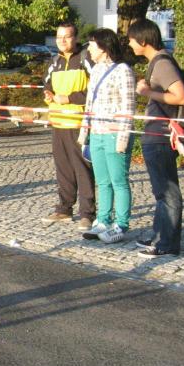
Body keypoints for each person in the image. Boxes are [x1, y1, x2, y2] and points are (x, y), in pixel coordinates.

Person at [129, 19, 184, 258]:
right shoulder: (157, 62)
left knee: (167, 191)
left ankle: (168, 244)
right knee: (160, 191)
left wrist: (148, 92)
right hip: (155, 134)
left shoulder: (163, 63)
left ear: (143, 40)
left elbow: (181, 97)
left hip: (162, 135)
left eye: (132, 40)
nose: (130, 44)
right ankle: (159, 235)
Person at [77, 29, 136, 244]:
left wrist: (123, 137)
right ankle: (102, 220)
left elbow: (129, 106)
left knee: (118, 181)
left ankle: (121, 224)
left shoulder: (123, 71)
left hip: (114, 133)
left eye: (92, 45)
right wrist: (85, 132)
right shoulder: (96, 70)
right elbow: (89, 104)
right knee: (102, 182)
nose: (89, 50)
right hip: (97, 133)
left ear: (104, 46)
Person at [42, 22, 95, 229]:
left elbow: (95, 90)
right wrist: (48, 94)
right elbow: (47, 85)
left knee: (82, 169)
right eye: (59, 37)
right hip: (58, 122)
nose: (62, 41)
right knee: (63, 169)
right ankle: (64, 209)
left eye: (67, 36)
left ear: (75, 38)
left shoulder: (85, 59)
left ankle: (87, 213)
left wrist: (69, 98)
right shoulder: (54, 62)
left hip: (79, 123)